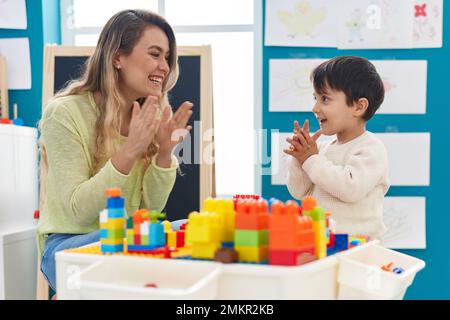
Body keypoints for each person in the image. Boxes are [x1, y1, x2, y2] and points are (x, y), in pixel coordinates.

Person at [38, 9, 192, 293]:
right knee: (131, 243)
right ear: (117, 57)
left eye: (167, 58)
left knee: (189, 229)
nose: (165, 66)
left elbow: (151, 211)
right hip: (67, 248)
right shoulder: (64, 113)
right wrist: (130, 149)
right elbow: (78, 213)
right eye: (155, 54)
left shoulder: (149, 116)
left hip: (128, 241)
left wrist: (163, 154)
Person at [284, 56, 390, 241]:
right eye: (315, 98)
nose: (315, 108)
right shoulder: (322, 150)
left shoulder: (371, 148)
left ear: (358, 106)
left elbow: (350, 189)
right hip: (321, 243)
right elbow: (298, 191)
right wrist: (299, 159)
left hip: (360, 249)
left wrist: (310, 159)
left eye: (324, 99)